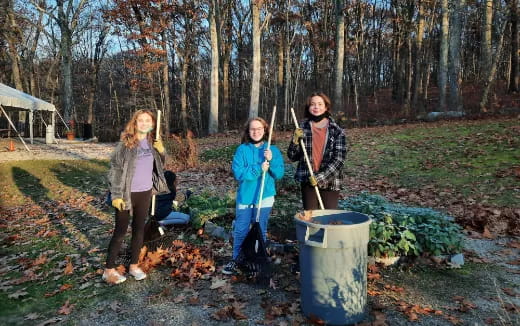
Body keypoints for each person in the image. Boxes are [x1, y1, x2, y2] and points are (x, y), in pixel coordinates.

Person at [104, 109, 169, 284]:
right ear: (135, 122)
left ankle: (133, 265)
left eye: (148, 121)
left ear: (153, 124)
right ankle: (108, 270)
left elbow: (160, 166)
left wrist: (162, 151)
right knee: (120, 231)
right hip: (126, 193)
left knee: (139, 229)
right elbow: (115, 170)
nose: (144, 123)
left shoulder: (152, 142)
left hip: (145, 192)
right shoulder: (126, 144)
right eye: (141, 120)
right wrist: (116, 195)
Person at [222, 117, 285, 275]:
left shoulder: (272, 150)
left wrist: (271, 161)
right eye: (252, 129)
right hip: (246, 197)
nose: (256, 132)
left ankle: (257, 259)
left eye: (259, 128)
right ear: (248, 131)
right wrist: (258, 168)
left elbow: (279, 174)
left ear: (265, 130)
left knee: (260, 230)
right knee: (241, 230)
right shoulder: (242, 150)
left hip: (265, 197)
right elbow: (239, 173)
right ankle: (237, 259)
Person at [287, 92, 347, 210]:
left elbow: (339, 160)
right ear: (308, 108)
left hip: (330, 180)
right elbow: (292, 156)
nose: (316, 107)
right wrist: (294, 141)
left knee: (329, 218)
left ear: (326, 107)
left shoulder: (337, 131)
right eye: (313, 104)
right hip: (307, 178)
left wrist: (320, 178)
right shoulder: (302, 127)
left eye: (320, 104)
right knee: (311, 218)